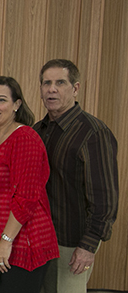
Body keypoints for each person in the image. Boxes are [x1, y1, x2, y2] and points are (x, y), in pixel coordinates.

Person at [33, 60, 118, 293]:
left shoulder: (93, 132)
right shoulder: (36, 131)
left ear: (75, 88)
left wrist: (88, 246)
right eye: (46, 83)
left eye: (60, 82)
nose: (52, 89)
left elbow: (105, 198)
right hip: (39, 239)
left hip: (72, 242)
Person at [0, 76, 58, 293]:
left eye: (0, 100)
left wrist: (5, 241)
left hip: (22, 246)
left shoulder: (24, 138)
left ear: (17, 105)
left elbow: (26, 197)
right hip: (2, 245)